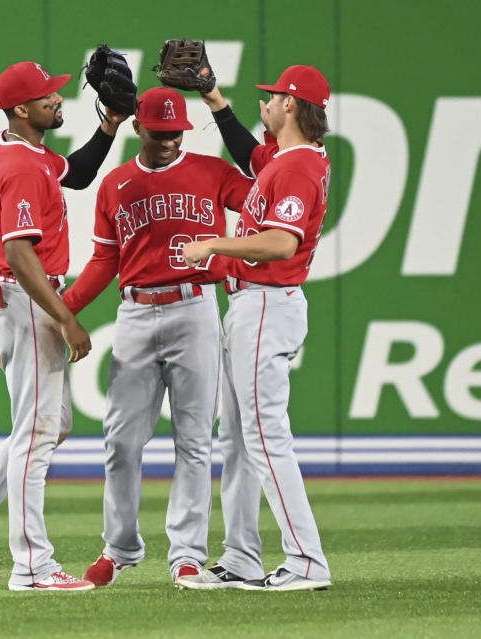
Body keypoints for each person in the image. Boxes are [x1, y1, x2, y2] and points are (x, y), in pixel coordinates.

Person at [0, 60, 128, 592]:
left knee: (48, 424)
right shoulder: (20, 165)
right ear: (21, 109)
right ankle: (34, 566)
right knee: (38, 433)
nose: (58, 100)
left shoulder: (15, 147)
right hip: (26, 295)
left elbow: (78, 173)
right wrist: (65, 318)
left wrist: (108, 125)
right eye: (48, 97)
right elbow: (20, 253)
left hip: (12, 296)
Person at [61, 87, 252, 588]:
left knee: (193, 440)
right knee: (121, 440)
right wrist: (63, 311)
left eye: (175, 133)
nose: (168, 140)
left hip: (195, 308)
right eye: (159, 131)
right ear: (137, 128)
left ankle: (186, 554)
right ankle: (120, 548)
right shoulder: (116, 183)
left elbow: (262, 193)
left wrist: (219, 104)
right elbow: (105, 261)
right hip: (136, 313)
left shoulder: (213, 172)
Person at [179, 65, 333, 591]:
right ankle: (242, 556)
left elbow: (281, 243)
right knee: (239, 442)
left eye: (271, 97)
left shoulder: (299, 168)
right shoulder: (287, 159)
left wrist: (213, 244)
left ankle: (306, 562)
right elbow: (250, 153)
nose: (263, 102)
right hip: (252, 305)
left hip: (267, 302)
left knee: (266, 438)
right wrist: (213, 97)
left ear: (291, 105)